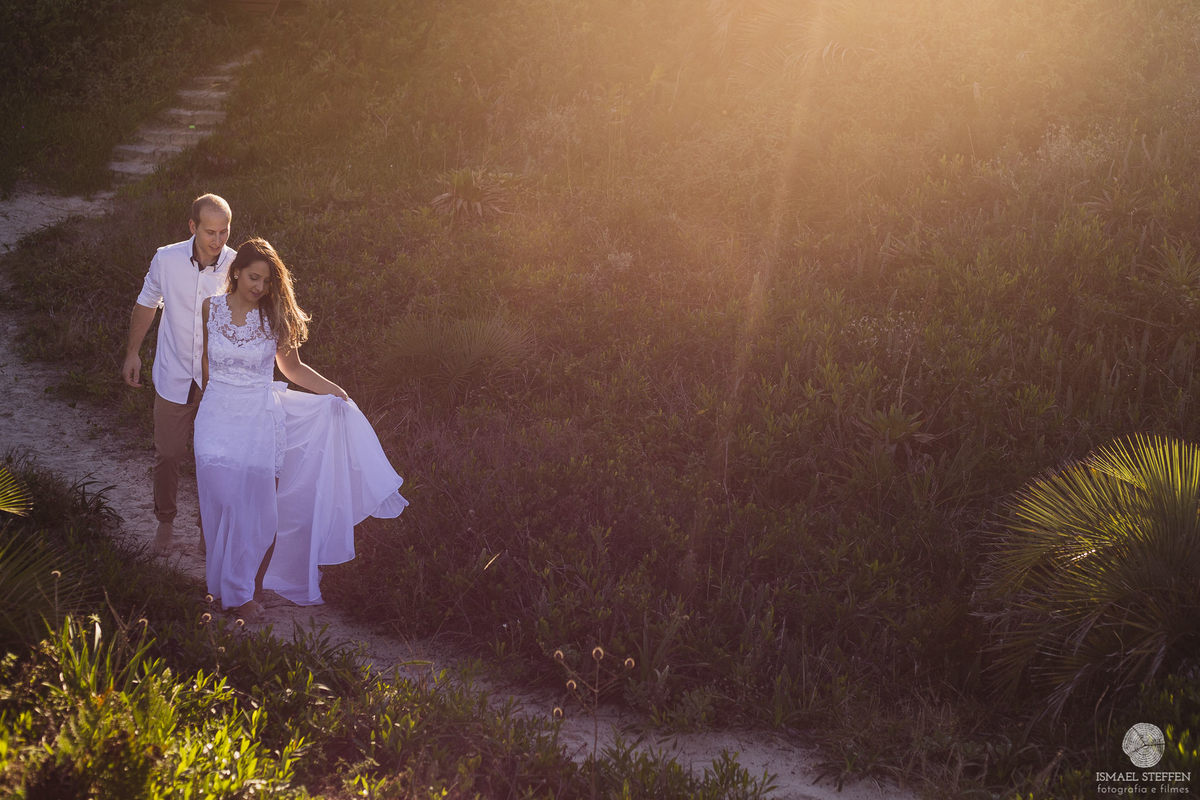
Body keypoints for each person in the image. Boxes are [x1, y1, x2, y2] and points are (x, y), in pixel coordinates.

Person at [195, 238, 407, 617]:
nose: (259, 287)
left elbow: (291, 369)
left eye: (266, 282)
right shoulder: (210, 308)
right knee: (221, 501)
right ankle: (222, 586)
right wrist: (206, 404)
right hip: (216, 416)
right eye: (254, 278)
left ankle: (242, 594)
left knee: (257, 511)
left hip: (259, 419)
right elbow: (206, 363)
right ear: (236, 272)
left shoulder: (272, 318)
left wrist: (335, 391)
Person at [123, 194, 235, 554]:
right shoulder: (166, 258)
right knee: (169, 453)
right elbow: (146, 304)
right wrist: (132, 353)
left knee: (213, 459)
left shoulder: (236, 265)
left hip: (218, 381)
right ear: (192, 227)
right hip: (174, 373)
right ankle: (165, 522)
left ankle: (207, 529)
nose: (217, 241)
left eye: (224, 232)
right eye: (210, 232)